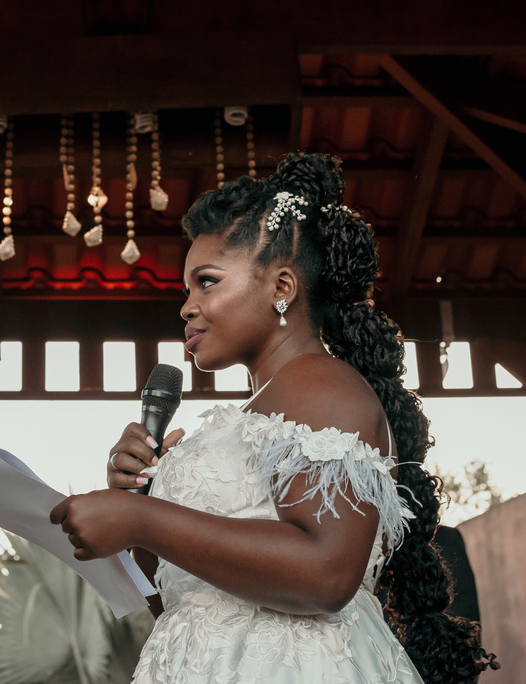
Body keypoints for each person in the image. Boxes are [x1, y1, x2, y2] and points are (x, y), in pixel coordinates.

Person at [50, 153, 498, 683]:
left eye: (207, 282)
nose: (187, 307)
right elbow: (181, 602)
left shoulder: (320, 385)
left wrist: (142, 519)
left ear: (282, 288)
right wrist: (141, 501)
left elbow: (326, 574)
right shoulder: (266, 408)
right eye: (187, 289)